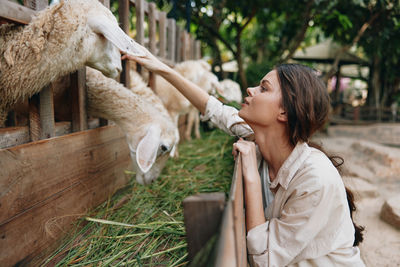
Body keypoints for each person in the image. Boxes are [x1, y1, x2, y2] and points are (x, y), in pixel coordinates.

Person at [122, 48, 365, 266]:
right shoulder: (259, 137)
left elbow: (264, 260)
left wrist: (249, 175)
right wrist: (161, 68)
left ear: (284, 111)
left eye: (264, 88)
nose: (250, 89)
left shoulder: (315, 179)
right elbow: (214, 109)